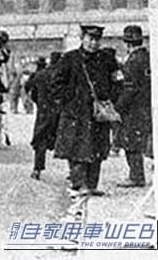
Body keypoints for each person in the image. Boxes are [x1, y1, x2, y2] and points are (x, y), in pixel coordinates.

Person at [52, 25, 121, 198]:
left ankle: (91, 184)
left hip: (99, 113)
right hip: (76, 113)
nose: (93, 43)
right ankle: (78, 184)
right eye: (90, 39)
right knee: (76, 150)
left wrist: (109, 99)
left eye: (97, 39)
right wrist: (70, 102)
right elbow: (56, 84)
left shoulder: (107, 59)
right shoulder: (70, 59)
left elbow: (118, 81)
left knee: (98, 148)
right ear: (82, 38)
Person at [115, 25, 151, 188]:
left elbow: (129, 89)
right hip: (146, 106)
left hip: (133, 109)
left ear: (127, 43)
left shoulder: (132, 61)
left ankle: (136, 176)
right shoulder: (148, 57)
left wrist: (118, 108)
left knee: (130, 142)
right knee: (139, 140)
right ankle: (137, 175)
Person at [29, 53, 61, 180]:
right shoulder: (63, 75)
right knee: (68, 140)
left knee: (40, 141)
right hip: (60, 112)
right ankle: (73, 173)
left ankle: (37, 169)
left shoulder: (41, 74)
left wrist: (40, 103)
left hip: (44, 112)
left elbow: (33, 93)